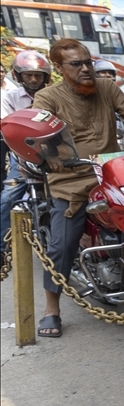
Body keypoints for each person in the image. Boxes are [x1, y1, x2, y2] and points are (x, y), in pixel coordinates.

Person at [29, 38, 124, 337]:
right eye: (77, 64)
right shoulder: (48, 97)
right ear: (59, 68)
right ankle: (52, 308)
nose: (86, 68)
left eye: (88, 62)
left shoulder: (108, 88)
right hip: (70, 179)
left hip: (110, 173)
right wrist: (51, 158)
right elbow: (37, 133)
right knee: (63, 244)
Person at [1, 51, 54, 254]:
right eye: (28, 75)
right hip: (22, 157)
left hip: (51, 154)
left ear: (45, 77)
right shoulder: (10, 98)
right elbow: (6, 126)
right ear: (18, 76)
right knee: (8, 198)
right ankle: (1, 248)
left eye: (38, 75)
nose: (33, 79)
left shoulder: (54, 95)